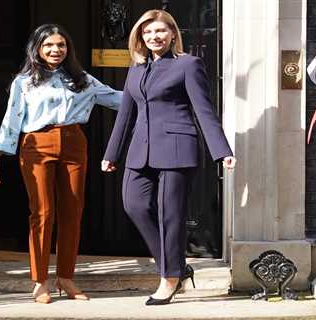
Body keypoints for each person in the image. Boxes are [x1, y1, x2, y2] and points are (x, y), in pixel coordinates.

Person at [101, 10, 236, 306]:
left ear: (173, 33)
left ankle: (169, 278)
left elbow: (204, 110)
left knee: (169, 215)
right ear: (140, 38)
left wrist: (221, 149)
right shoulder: (136, 68)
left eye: (160, 31)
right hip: (140, 150)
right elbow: (126, 115)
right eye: (147, 33)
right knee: (134, 205)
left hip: (178, 148)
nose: (154, 37)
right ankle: (176, 265)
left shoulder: (188, 65)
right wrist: (112, 153)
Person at [0, 24, 122, 304]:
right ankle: (40, 282)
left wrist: (155, 94)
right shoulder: (25, 82)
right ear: (37, 48)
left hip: (73, 141)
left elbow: (118, 99)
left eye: (61, 45)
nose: (55, 50)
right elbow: (12, 119)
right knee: (43, 213)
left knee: (73, 210)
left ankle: (66, 277)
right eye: (48, 45)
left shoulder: (82, 79)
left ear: (67, 49)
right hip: (36, 144)